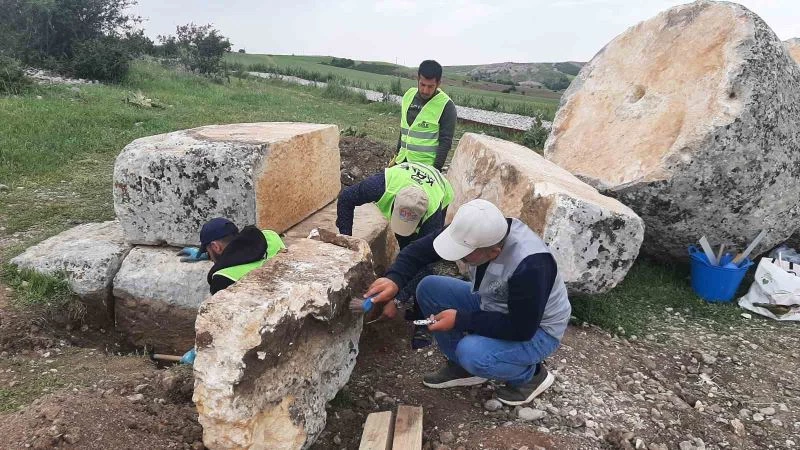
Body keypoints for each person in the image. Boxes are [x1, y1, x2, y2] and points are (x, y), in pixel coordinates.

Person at [363, 199, 571, 405]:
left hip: (538, 330)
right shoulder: (475, 231)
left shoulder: (531, 266)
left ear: (494, 253)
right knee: (429, 288)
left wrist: (461, 320)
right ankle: (461, 366)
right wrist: (394, 279)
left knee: (471, 352)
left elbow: (521, 328)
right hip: (493, 301)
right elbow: (419, 252)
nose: (459, 259)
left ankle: (531, 376)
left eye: (465, 256)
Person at [336, 161, 454, 348]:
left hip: (440, 186)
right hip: (404, 176)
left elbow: (424, 261)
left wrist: (399, 300)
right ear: (394, 203)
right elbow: (345, 199)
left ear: (421, 218)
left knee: (419, 257)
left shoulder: (433, 216)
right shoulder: (380, 186)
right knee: (405, 246)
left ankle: (422, 318)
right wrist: (347, 242)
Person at [176, 217, 286, 363]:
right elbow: (243, 252)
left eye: (208, 249)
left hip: (263, 330)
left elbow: (222, 323)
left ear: (216, 247)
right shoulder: (270, 237)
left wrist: (198, 352)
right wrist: (211, 256)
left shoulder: (223, 278)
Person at [392, 60, 457, 171]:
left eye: (431, 86)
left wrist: (435, 169)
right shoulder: (408, 95)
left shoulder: (446, 105)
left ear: (438, 83)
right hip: (401, 162)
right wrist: (396, 155)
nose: (425, 90)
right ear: (417, 79)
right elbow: (404, 130)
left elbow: (445, 142)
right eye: (422, 85)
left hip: (424, 168)